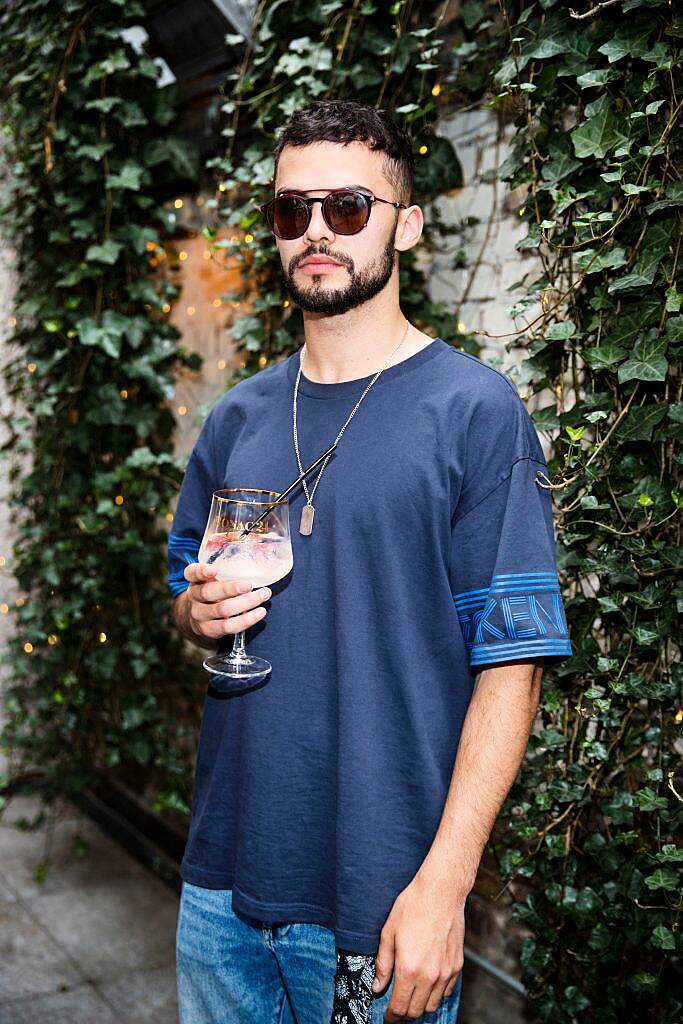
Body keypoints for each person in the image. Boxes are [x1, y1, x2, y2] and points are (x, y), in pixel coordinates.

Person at [169, 99, 573, 1024]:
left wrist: (445, 885)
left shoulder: (475, 413)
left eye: (348, 207)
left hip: (381, 899)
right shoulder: (236, 416)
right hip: (219, 884)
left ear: (408, 226)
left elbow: (511, 669)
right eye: (290, 210)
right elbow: (182, 596)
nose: (316, 230)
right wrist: (197, 617)